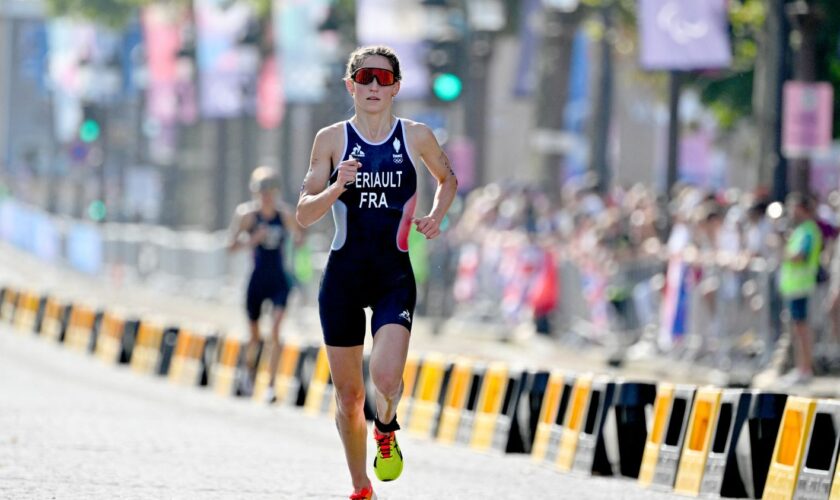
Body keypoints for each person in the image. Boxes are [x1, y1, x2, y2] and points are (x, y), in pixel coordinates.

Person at [296, 45, 457, 500]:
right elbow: (304, 213)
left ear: (396, 88)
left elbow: (448, 179)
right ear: (350, 85)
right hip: (344, 277)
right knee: (349, 398)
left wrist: (435, 215)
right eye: (364, 78)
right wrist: (336, 185)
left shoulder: (417, 136)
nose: (372, 86)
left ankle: (386, 428)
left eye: (382, 79)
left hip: (393, 275)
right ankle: (360, 486)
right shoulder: (331, 140)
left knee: (385, 381)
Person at [228, 166, 302, 402]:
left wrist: (299, 240)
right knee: (254, 335)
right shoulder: (247, 215)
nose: (267, 196)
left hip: (279, 278)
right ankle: (249, 375)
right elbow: (230, 246)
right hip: (257, 279)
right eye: (262, 192)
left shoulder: (285, 215)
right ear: (255, 192)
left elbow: (299, 237)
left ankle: (270, 385)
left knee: (276, 331)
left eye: (271, 191)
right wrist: (253, 240)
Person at [778, 192, 822, 386]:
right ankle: (801, 368)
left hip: (802, 287)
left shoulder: (808, 230)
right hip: (796, 287)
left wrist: (783, 250)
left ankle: (805, 369)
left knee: (801, 330)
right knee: (797, 329)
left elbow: (799, 256)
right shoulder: (802, 230)